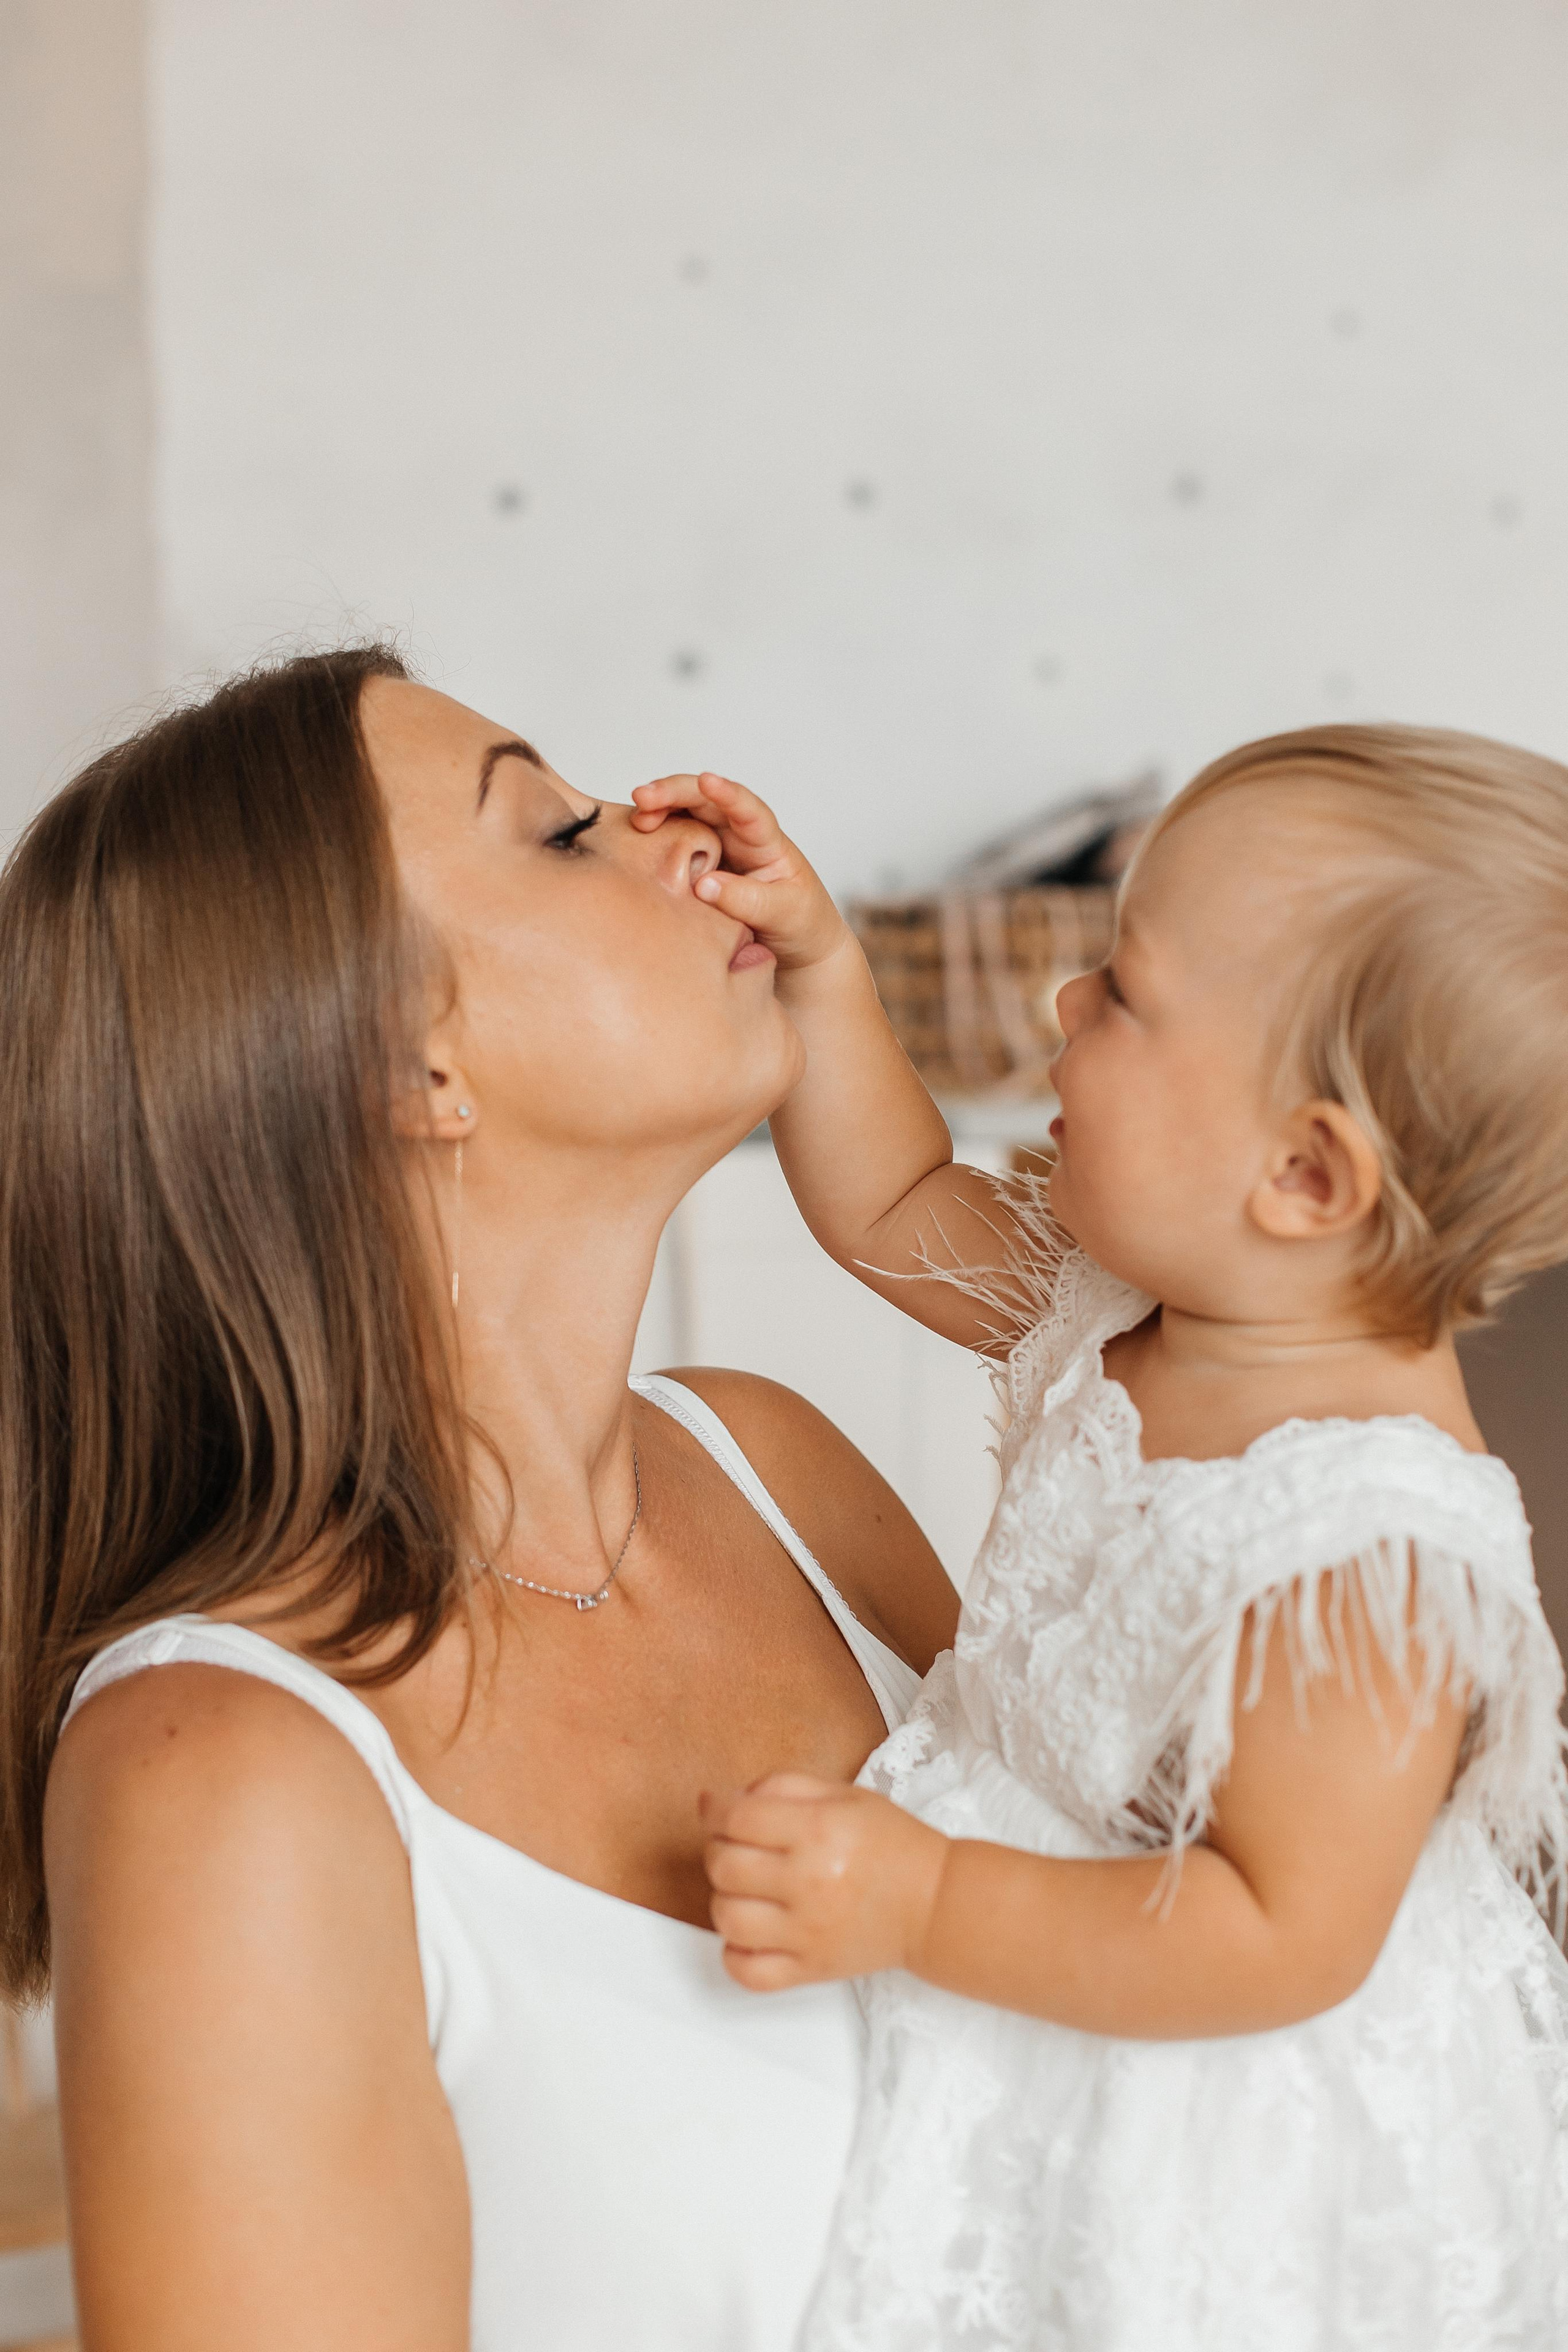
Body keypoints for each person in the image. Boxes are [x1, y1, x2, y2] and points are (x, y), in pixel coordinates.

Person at [0, 645, 959, 2352]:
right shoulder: (218, 1780)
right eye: (564, 832)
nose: (681, 830)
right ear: (403, 1068)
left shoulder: (778, 1470)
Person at [631, 730, 1568, 2346]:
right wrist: (823, 967)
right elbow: (891, 1196)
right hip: (1044, 1964)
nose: (1068, 1004)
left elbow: (1279, 1937)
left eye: (1124, 991)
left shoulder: (1359, 1547)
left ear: (1303, 1171)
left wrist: (927, 1904)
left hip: (1221, 2120)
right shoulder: (1133, 1307)